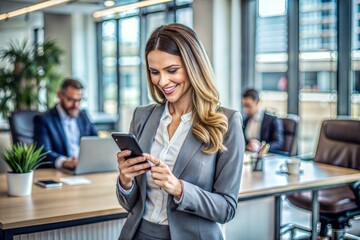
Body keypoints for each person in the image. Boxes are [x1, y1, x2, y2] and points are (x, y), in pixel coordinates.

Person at [116, 23, 244, 240]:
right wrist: (125, 181)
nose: (162, 81)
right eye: (154, 72)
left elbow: (227, 209)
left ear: (194, 66)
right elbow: (130, 204)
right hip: (138, 234)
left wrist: (179, 188)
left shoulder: (226, 122)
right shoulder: (142, 116)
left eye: (172, 70)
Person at [33, 78, 98, 169]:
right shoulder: (43, 120)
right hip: (59, 171)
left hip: (84, 168)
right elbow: (43, 153)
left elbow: (95, 140)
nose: (76, 105)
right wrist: (64, 162)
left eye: (79, 100)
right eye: (71, 100)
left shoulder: (83, 115)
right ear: (60, 95)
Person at [241, 88, 284, 153]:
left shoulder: (272, 119)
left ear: (257, 102)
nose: (245, 110)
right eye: (244, 106)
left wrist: (262, 147)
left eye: (248, 106)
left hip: (267, 156)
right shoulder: (245, 121)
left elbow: (279, 143)